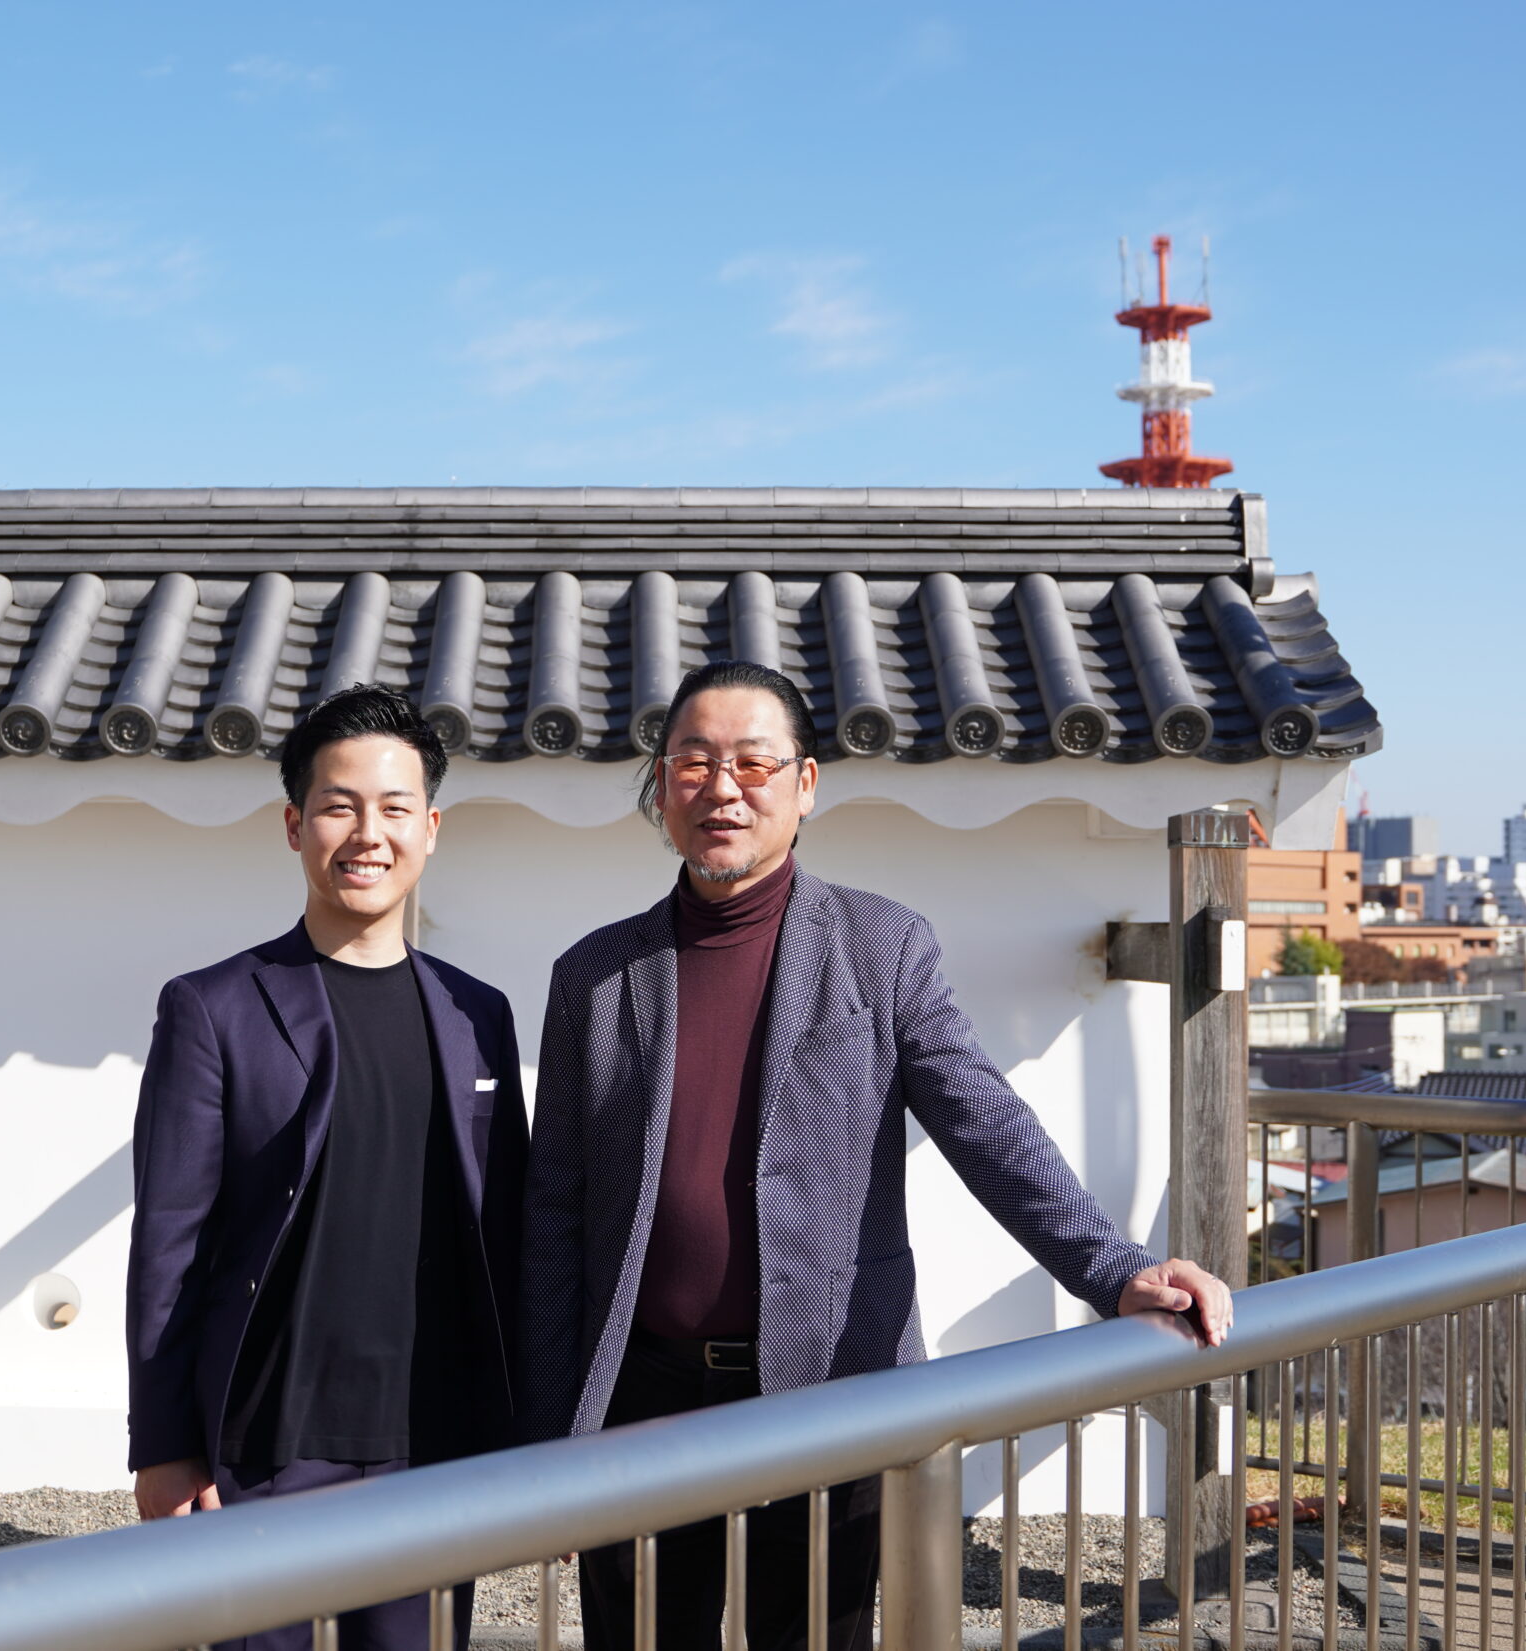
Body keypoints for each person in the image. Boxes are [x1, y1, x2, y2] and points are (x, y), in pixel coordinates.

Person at [520, 660, 1232, 1651]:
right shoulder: (595, 976)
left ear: (804, 783)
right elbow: (555, 1209)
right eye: (692, 762)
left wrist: (1112, 1269)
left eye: (752, 763)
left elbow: (983, 1121)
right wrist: (549, 1430)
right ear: (661, 785)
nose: (722, 788)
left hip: (832, 1383)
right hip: (645, 1396)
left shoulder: (879, 945)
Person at [127, 685, 527, 1651]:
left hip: (432, 1450)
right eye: (339, 806)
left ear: (430, 828)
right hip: (266, 1449)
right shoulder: (214, 1007)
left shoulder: (479, 1014)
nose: (367, 833)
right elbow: (169, 1241)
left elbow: (508, 1228)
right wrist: (165, 1444)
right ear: (294, 824)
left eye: (394, 808)